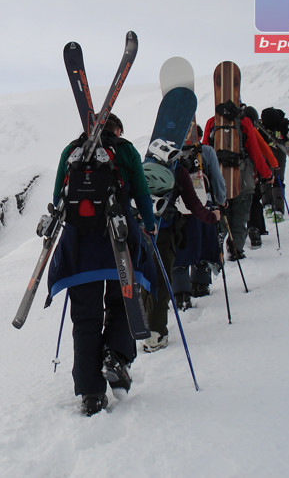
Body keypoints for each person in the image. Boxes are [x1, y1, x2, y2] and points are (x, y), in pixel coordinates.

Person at [46, 114, 157, 416]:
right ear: (117, 129)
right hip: (118, 240)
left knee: (85, 318)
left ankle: (91, 394)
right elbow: (143, 194)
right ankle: (116, 356)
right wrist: (150, 225)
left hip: (79, 246)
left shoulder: (71, 152)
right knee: (123, 303)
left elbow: (58, 197)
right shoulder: (125, 150)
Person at [141, 139, 221, 351]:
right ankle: (156, 334)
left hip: (140, 231)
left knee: (144, 279)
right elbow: (194, 205)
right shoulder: (179, 171)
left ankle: (143, 326)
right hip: (165, 231)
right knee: (161, 280)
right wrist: (212, 217)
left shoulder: (142, 166)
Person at [203, 102, 273, 260]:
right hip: (243, 178)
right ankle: (236, 249)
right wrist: (267, 174)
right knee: (240, 217)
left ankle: (217, 245)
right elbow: (255, 150)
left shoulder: (212, 122)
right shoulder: (244, 122)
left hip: (219, 178)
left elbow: (206, 148)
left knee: (221, 214)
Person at [172, 124, 227, 307]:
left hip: (178, 208)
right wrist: (221, 200)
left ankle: (181, 295)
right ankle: (200, 286)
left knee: (180, 250)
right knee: (203, 245)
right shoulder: (207, 151)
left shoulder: (170, 152)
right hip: (204, 204)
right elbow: (217, 179)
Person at [242, 106, 279, 248]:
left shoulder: (225, 127)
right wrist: (272, 168)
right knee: (254, 201)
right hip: (250, 174)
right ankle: (255, 229)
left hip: (229, 175)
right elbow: (262, 150)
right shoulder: (250, 130)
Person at [259, 107, 289, 221]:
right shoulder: (261, 125)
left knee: (278, 177)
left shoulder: (284, 124)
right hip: (265, 152)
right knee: (266, 176)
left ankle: (278, 209)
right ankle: (267, 205)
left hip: (280, 151)